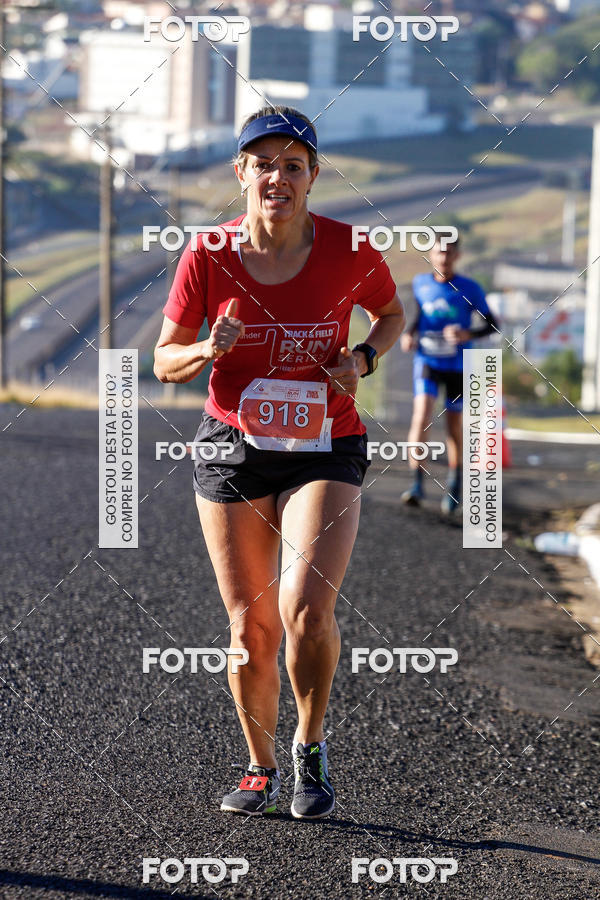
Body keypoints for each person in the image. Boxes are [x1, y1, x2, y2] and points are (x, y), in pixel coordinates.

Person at [153, 106, 405, 819]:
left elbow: (391, 315)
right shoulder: (208, 253)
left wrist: (362, 358)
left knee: (306, 609)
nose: (277, 178)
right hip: (234, 446)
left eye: (292, 166)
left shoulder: (349, 249)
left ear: (312, 178)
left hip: (326, 441)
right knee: (249, 629)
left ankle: (311, 747)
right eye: (263, 164)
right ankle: (261, 765)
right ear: (241, 174)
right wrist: (208, 349)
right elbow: (164, 359)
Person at [400, 234, 499, 514]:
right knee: (421, 415)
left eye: (449, 253)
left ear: (457, 256)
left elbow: (492, 324)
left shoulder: (469, 288)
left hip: (457, 365)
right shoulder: (421, 284)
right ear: (431, 255)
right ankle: (417, 484)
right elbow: (419, 315)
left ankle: (455, 483)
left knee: (453, 427)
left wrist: (468, 332)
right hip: (428, 361)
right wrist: (409, 334)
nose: (443, 258)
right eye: (438, 253)